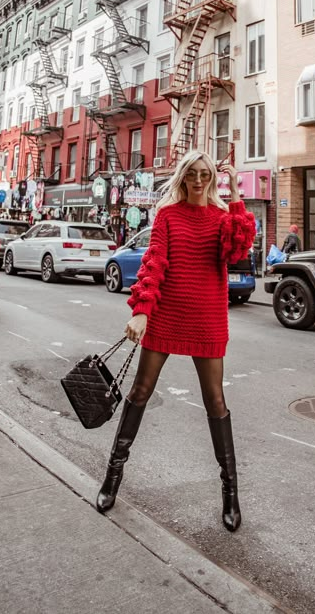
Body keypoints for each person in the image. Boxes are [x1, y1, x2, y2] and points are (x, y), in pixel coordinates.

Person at [96, 151, 256, 532]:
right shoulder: (168, 215)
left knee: (215, 400)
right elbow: (154, 263)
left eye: (206, 175)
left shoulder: (221, 218)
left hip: (207, 318)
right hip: (167, 314)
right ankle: (112, 476)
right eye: (193, 174)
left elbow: (237, 250)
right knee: (140, 391)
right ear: (183, 177)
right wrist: (141, 310)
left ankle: (230, 493)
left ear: (212, 179)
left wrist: (235, 193)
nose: (199, 180)